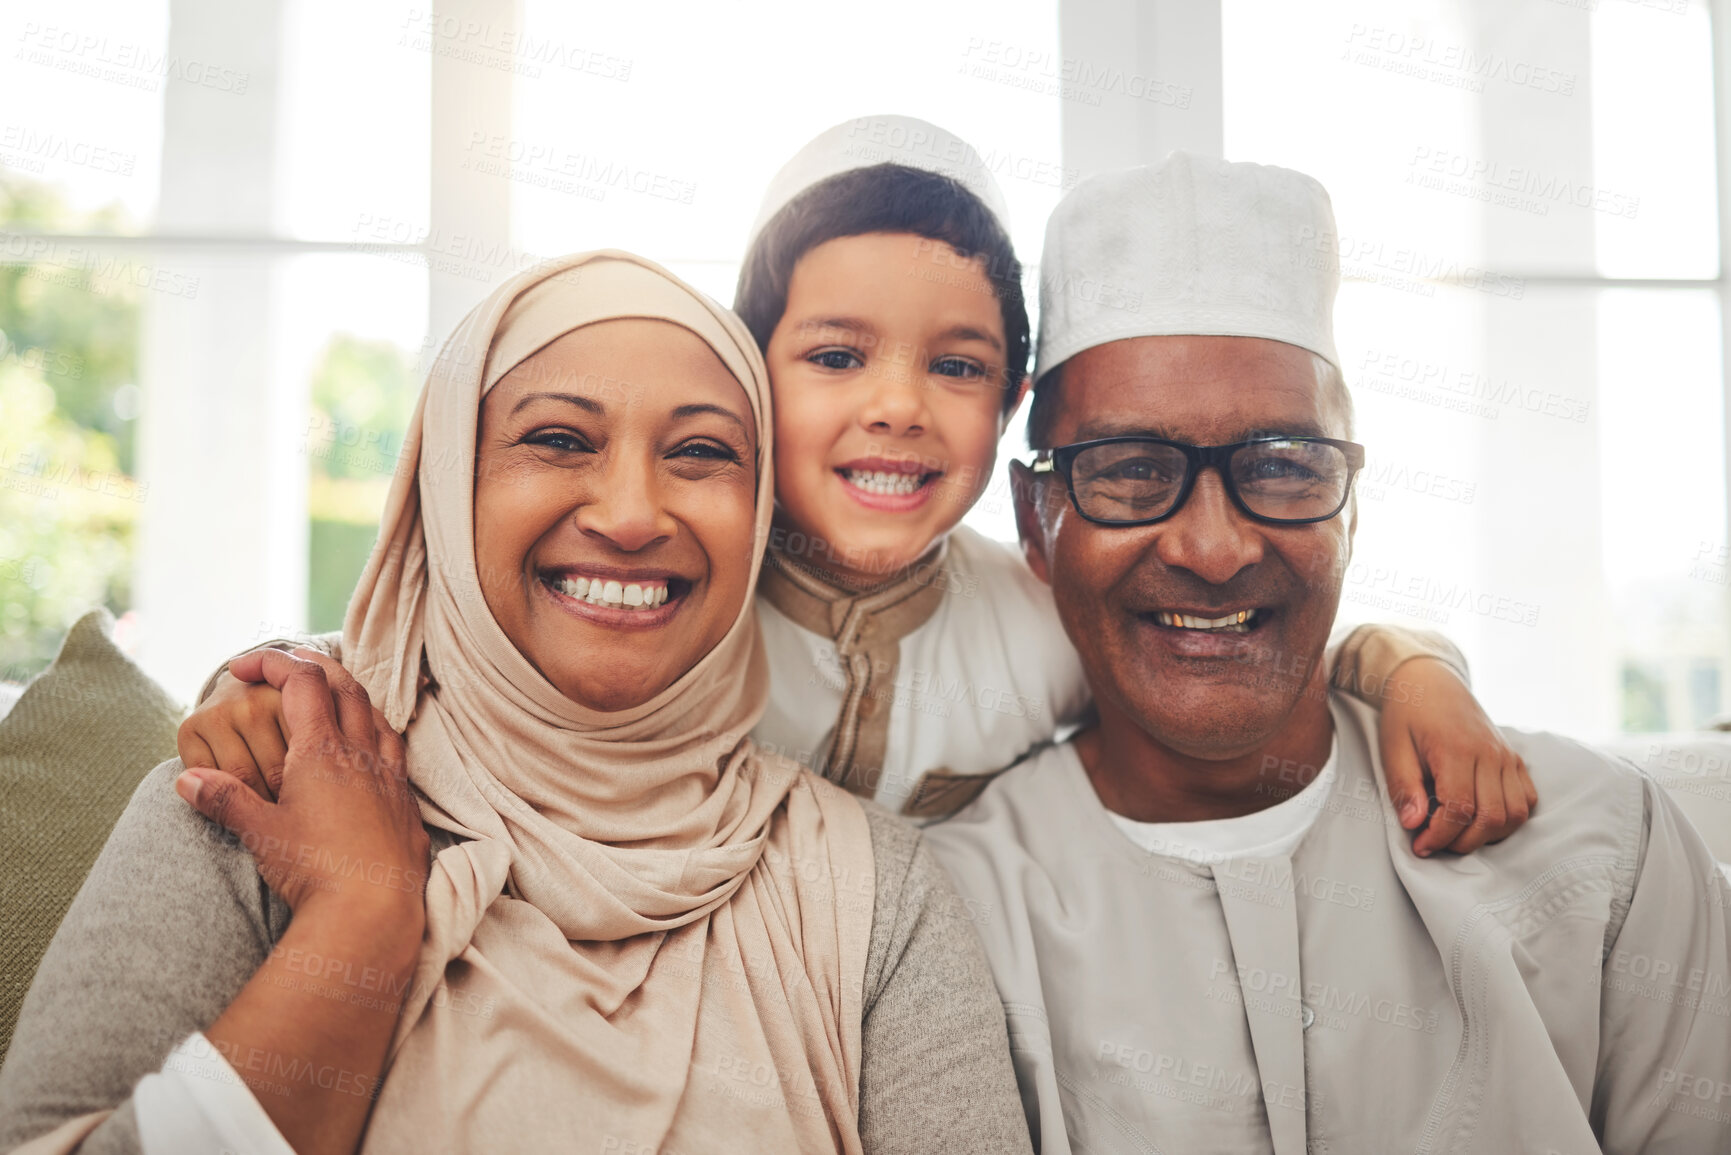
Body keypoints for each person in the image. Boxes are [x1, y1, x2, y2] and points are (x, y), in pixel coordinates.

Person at [183, 116, 1533, 855]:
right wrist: (281, 682)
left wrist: (1411, 665)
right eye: (834, 354)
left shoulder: (1036, 617)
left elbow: (1232, 634)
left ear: (1010, 409)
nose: (895, 403)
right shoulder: (664, 582)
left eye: (955, 364)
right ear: (746, 377)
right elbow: (463, 651)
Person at [0, 252, 1031, 1155]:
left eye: (703, 453)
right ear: (446, 488)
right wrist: (358, 920)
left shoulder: (878, 893)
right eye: (558, 440)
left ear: (759, 514)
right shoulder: (257, 793)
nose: (632, 515)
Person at [924, 152, 1731, 1154]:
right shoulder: (947, 912)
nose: (1212, 550)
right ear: (1037, 522)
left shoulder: (1609, 848)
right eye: (1130, 472)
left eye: (1279, 465)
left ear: (1350, 506)